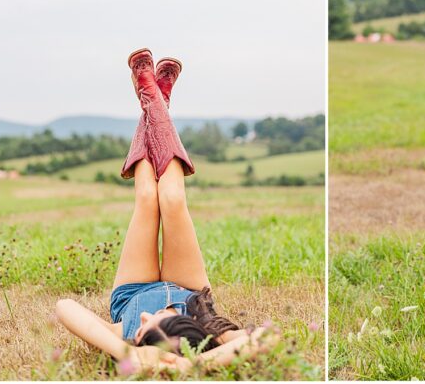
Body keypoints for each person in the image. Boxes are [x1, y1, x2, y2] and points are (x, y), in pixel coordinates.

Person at [54, 48, 273, 374]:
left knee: (146, 197)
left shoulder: (127, 337)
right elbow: (268, 339)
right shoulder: (210, 333)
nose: (143, 319)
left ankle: (150, 98)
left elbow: (65, 306)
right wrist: (195, 362)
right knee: (171, 198)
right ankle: (158, 104)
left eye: (141, 330)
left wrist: (130, 353)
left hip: (132, 289)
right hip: (188, 287)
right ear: (182, 332)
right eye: (152, 322)